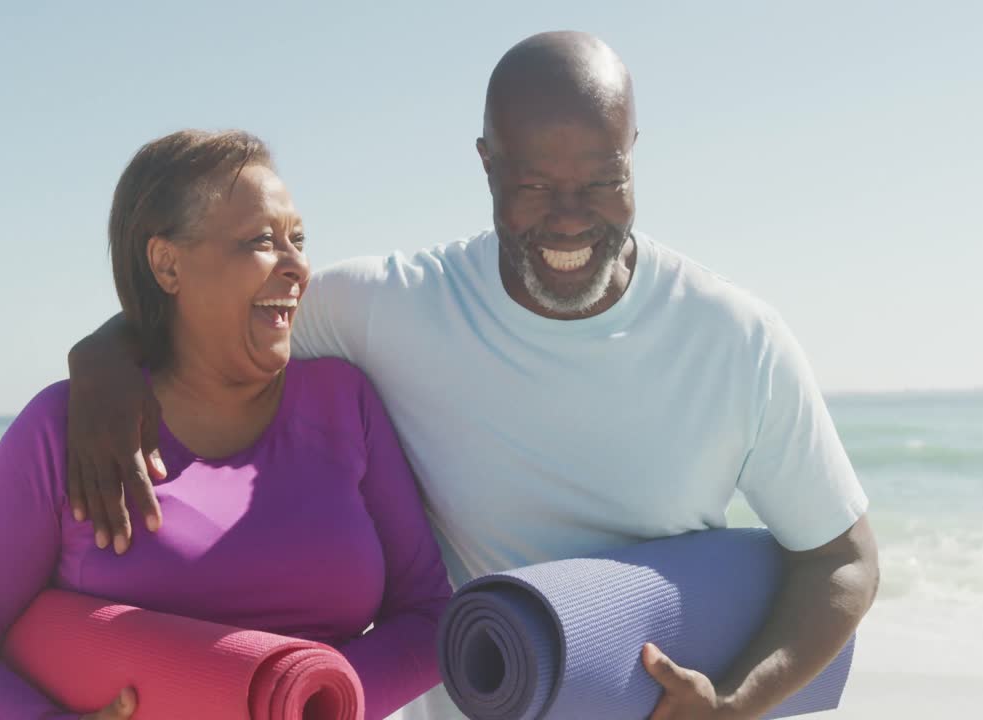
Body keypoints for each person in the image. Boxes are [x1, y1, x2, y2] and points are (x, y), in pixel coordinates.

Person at [67, 32, 881, 720]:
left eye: (602, 180)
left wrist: (737, 703)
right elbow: (224, 318)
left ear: (633, 156)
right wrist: (103, 357)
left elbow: (842, 560)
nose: (570, 217)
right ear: (487, 165)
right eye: (533, 184)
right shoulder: (388, 308)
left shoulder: (735, 338)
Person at [0, 130, 452, 720]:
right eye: (262, 240)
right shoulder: (66, 428)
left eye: (299, 238)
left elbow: (428, 614)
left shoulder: (346, 404)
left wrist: (310, 702)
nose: (296, 265)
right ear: (167, 263)